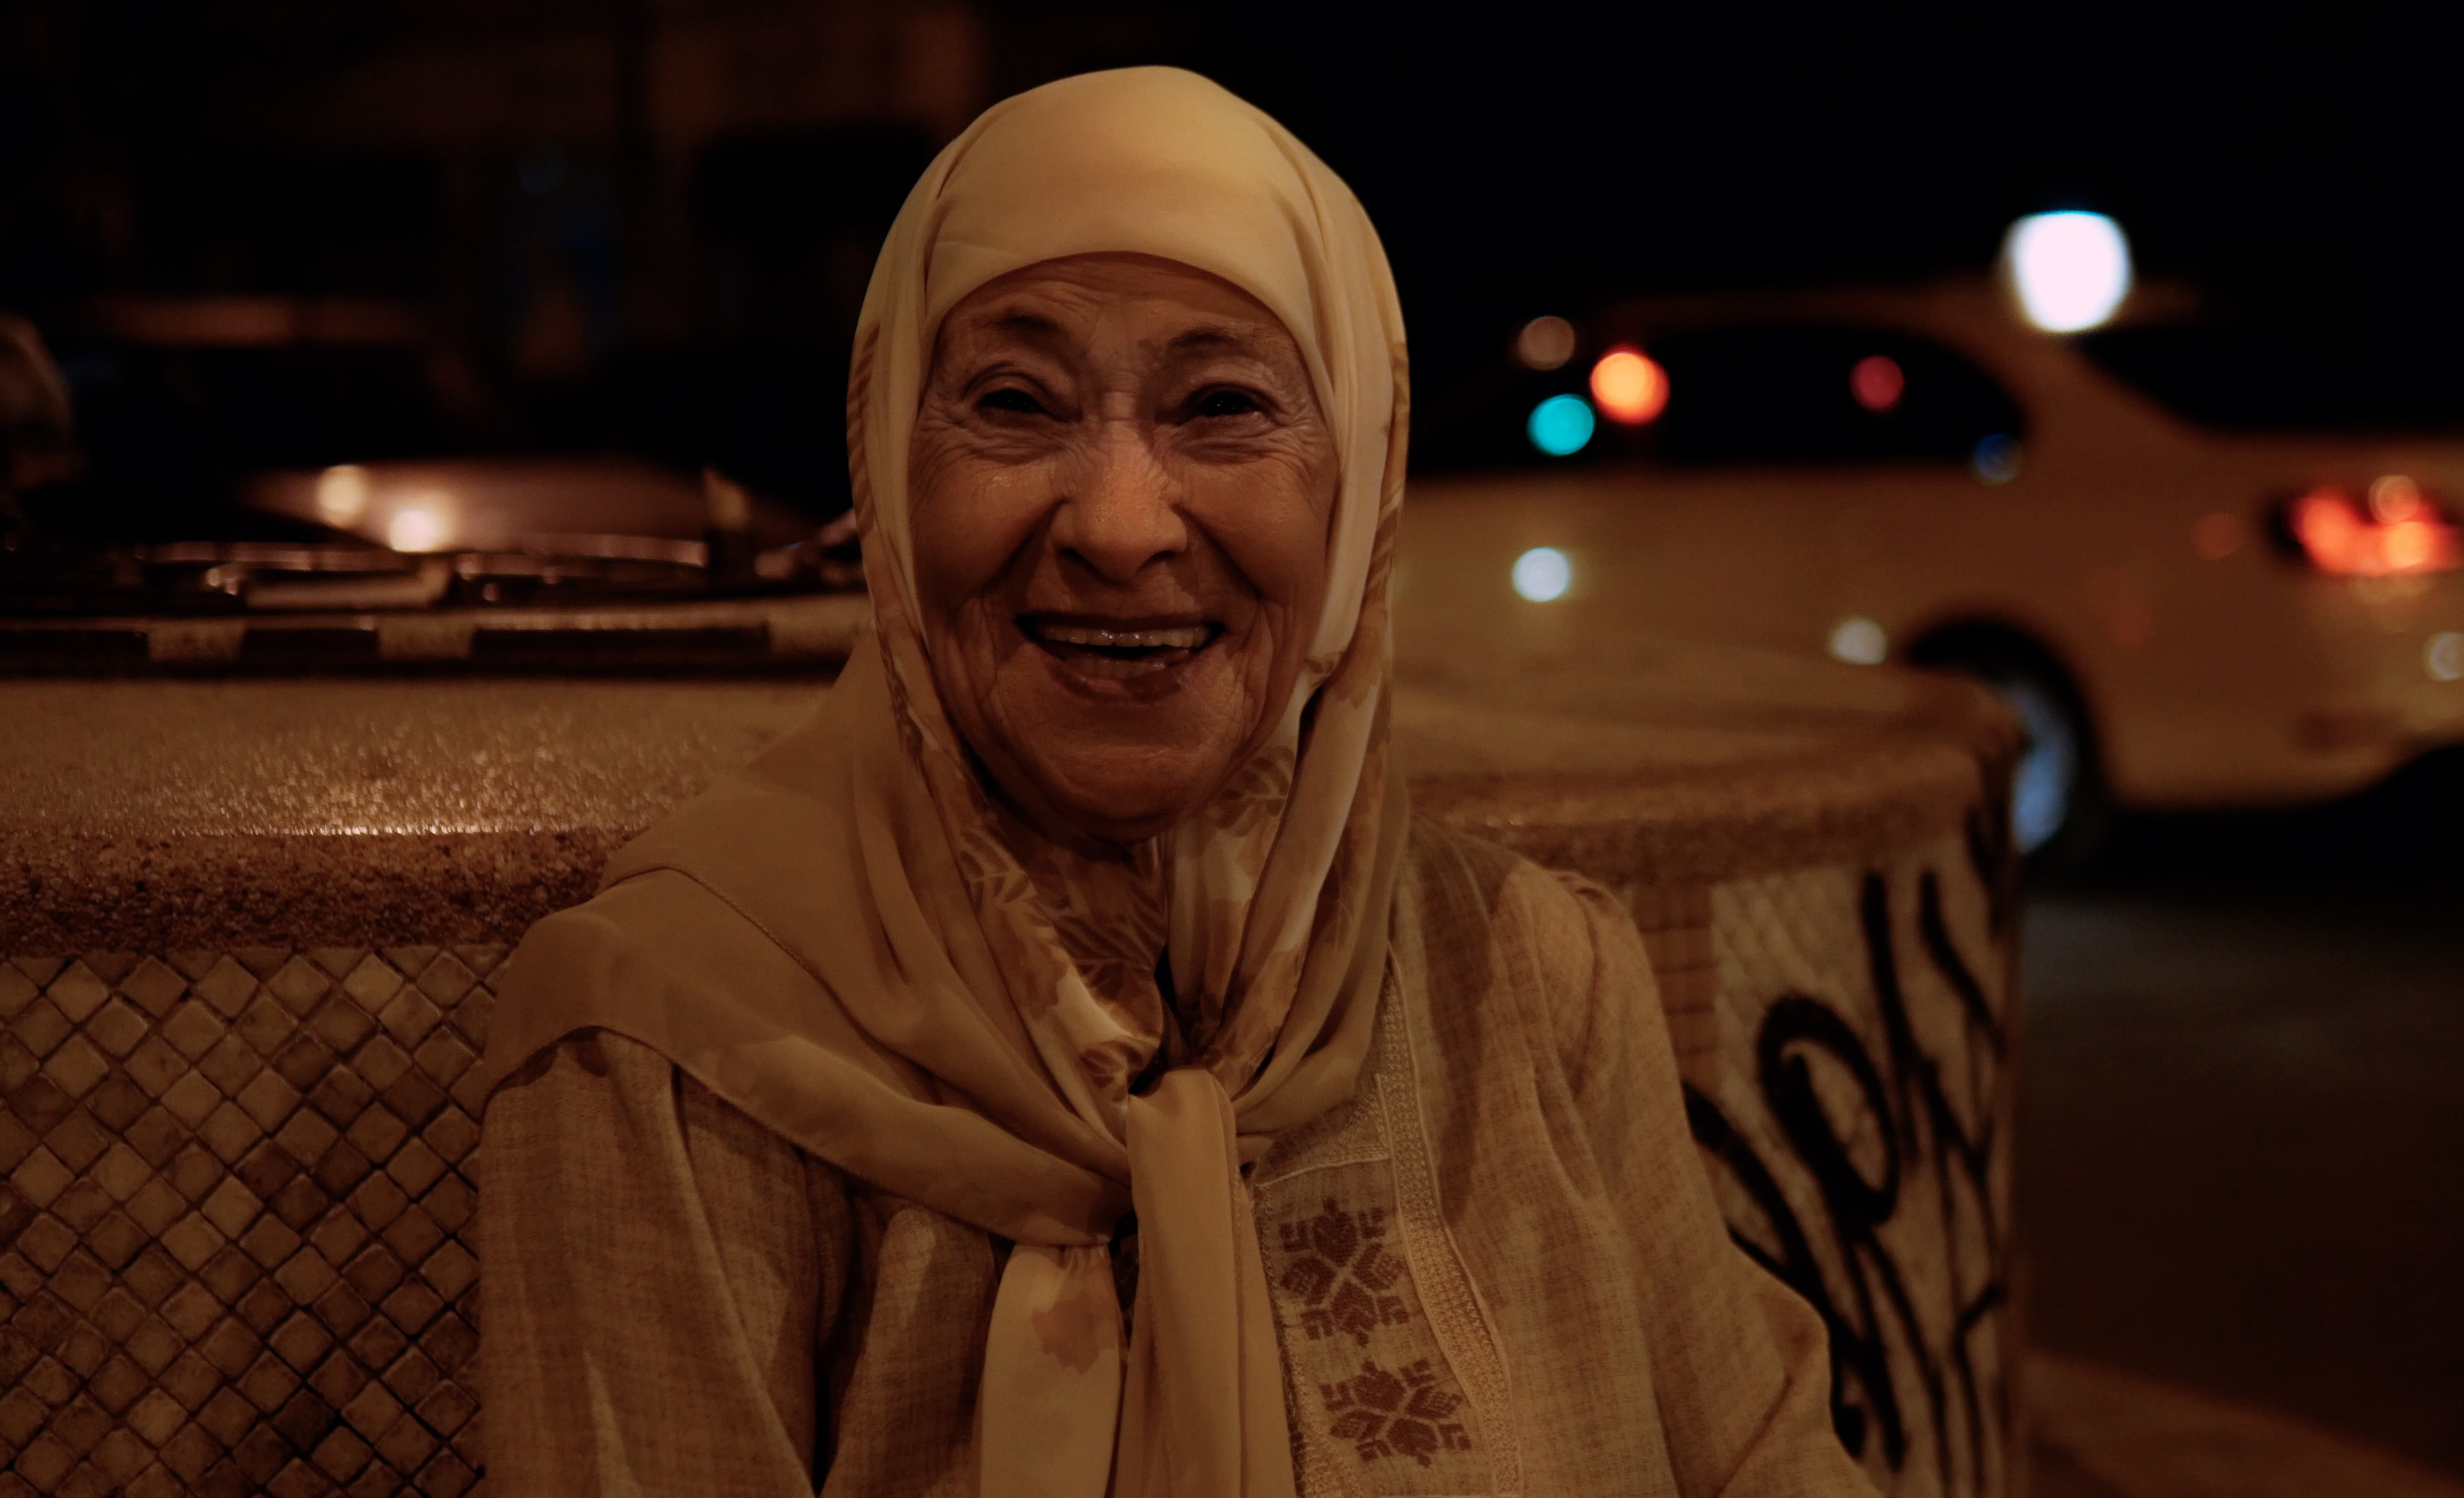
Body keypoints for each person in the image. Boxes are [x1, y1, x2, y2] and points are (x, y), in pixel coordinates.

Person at [475, 67, 1874, 1498]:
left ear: (1354, 491)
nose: (1120, 524)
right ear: (891, 467)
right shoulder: (672, 1041)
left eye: (1221, 406)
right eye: (1014, 403)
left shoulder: (1527, 985)